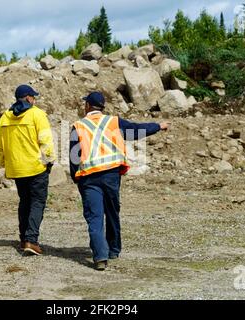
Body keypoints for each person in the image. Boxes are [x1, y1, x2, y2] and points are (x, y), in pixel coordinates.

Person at [70, 92, 170, 271]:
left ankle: (100, 257)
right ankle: (114, 250)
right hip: (111, 176)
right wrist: (157, 126)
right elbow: (136, 130)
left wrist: (75, 179)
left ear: (87, 106)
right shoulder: (113, 122)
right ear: (101, 107)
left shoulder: (77, 126)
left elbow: (73, 157)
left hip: (89, 178)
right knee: (112, 212)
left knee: (95, 217)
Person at [0, 84, 56, 256]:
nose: (35, 100)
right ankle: (31, 240)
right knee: (37, 202)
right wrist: (50, 160)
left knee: (24, 202)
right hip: (36, 167)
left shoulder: (5, 117)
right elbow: (46, 140)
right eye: (33, 97)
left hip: (16, 169)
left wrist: (3, 163)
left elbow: (0, 145)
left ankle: (24, 239)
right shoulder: (37, 114)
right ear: (29, 98)